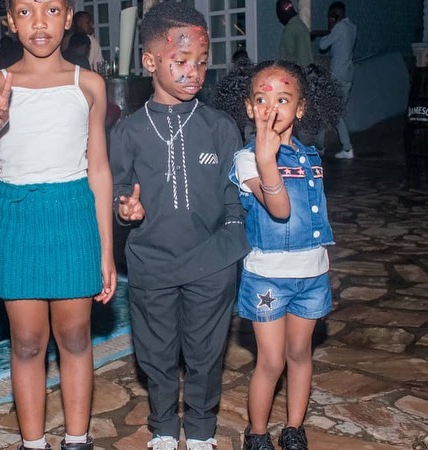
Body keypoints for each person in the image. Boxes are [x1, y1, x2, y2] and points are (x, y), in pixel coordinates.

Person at [0, 0, 116, 448]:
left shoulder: (89, 84)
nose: (39, 22)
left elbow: (99, 169)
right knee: (26, 342)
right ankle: (33, 443)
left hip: (73, 215)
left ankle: (77, 439)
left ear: (68, 17)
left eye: (51, 9)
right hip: (18, 217)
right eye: (26, 12)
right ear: (11, 22)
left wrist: (106, 250)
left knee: (76, 336)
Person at [109, 3, 250, 449]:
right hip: (151, 263)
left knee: (207, 353)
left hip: (212, 261)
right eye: (182, 61)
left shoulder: (220, 126)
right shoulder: (128, 131)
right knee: (156, 354)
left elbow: (234, 193)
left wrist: (231, 245)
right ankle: (165, 428)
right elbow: (118, 190)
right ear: (150, 61)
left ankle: (203, 431)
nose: (195, 72)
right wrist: (124, 209)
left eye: (202, 62)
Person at [218, 60, 343, 450]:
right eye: (262, 99)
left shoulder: (311, 156)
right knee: (271, 361)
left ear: (301, 108)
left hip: (311, 274)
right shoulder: (247, 159)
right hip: (268, 278)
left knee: (300, 353)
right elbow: (280, 209)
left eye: (283, 99)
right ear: (249, 107)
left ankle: (294, 428)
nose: (271, 107)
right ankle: (257, 434)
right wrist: (266, 158)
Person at [317, 1, 357, 159]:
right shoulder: (352, 28)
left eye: (330, 17)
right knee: (336, 112)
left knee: (325, 109)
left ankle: (332, 147)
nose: (329, 20)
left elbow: (322, 45)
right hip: (348, 75)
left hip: (337, 76)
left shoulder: (339, 28)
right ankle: (343, 147)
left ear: (335, 16)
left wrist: (326, 32)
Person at [277, 0, 313, 66]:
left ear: (283, 13)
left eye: (279, 15)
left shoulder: (290, 29)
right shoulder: (301, 25)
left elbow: (286, 55)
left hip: (297, 69)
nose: (280, 20)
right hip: (308, 68)